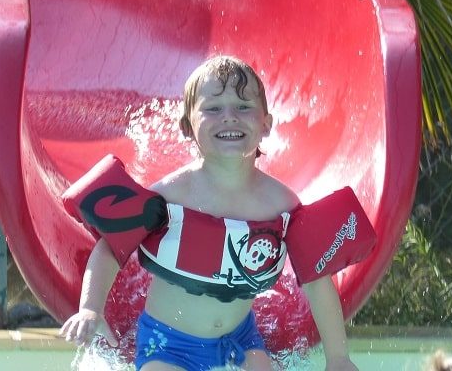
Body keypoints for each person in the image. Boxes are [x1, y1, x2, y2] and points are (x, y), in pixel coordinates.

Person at [60, 55, 365, 371]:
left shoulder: (281, 204)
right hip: (169, 344)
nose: (230, 117)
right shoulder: (170, 195)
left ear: (266, 124)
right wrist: (90, 309)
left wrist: (337, 357)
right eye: (213, 109)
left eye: (243, 107)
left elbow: (317, 280)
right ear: (187, 127)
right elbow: (111, 247)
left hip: (240, 337)